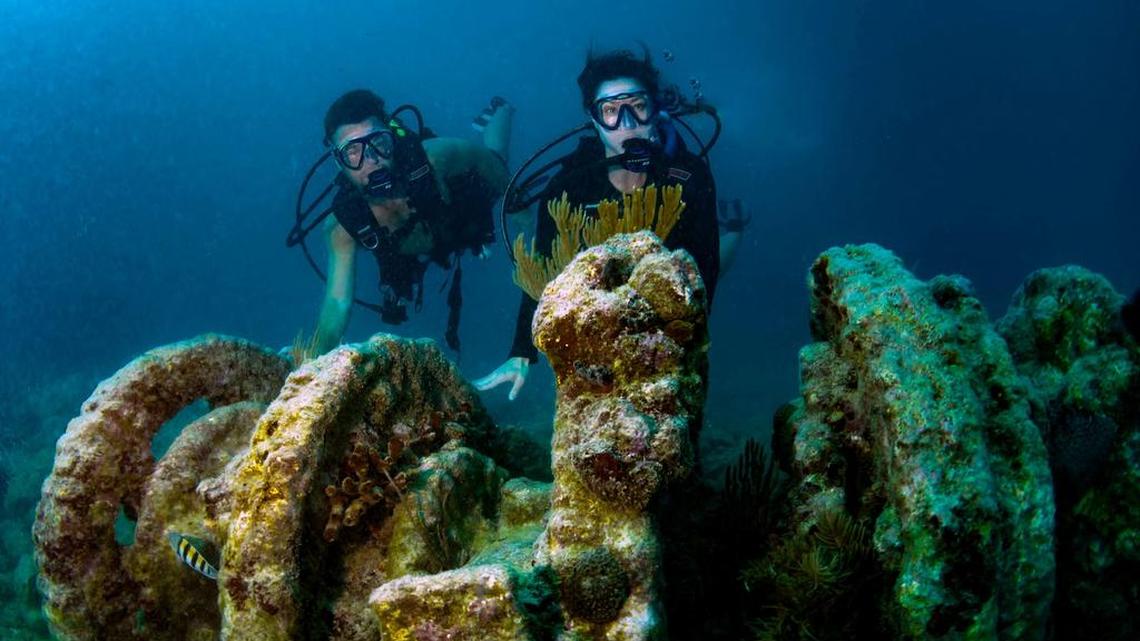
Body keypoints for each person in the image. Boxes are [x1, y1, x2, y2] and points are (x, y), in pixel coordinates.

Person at [475, 48, 722, 400]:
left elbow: (706, 269)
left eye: (637, 105)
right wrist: (521, 351)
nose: (626, 123)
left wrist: (686, 342)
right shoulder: (568, 189)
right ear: (593, 120)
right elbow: (544, 273)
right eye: (609, 111)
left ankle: (736, 232)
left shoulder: (688, 177)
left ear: (655, 109)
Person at [311, 90, 512, 356]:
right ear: (339, 163)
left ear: (392, 138)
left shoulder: (435, 158)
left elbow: (485, 162)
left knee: (497, 154)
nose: (370, 160)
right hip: (407, 252)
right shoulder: (342, 226)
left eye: (378, 143)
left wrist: (518, 206)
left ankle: (501, 110)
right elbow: (337, 303)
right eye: (352, 152)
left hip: (459, 216)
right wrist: (312, 365)